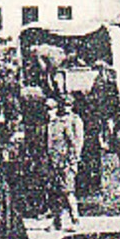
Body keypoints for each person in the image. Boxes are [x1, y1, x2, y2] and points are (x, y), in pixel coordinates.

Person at [44, 95, 84, 230]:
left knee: (68, 192)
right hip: (54, 162)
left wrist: (73, 159)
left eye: (51, 109)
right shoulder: (51, 125)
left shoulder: (66, 122)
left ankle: (75, 220)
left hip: (65, 162)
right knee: (55, 192)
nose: (49, 112)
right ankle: (57, 222)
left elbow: (74, 142)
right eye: (47, 109)